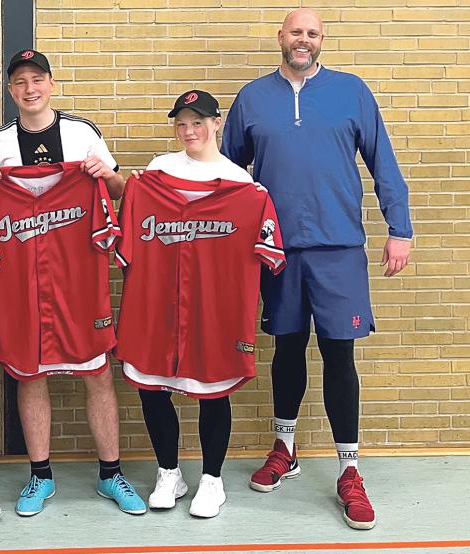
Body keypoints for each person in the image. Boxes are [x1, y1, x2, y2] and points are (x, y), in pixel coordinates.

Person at [222, 8, 413, 530]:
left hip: (339, 249)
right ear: (280, 38)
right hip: (277, 250)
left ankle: (349, 470)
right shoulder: (252, 99)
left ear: (321, 40)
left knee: (338, 354)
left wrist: (400, 229)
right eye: (295, 32)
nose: (302, 40)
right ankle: (284, 447)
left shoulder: (351, 92)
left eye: (312, 33)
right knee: (286, 348)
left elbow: (384, 164)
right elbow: (228, 174)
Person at [0, 49, 144, 516]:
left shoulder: (82, 133)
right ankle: (40, 475)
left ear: (51, 83)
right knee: (30, 375)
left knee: (97, 372)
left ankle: (111, 473)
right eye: (20, 82)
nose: (29, 89)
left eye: (37, 79)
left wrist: (106, 175)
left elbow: (119, 192)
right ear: (11, 92)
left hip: (78, 277)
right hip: (22, 278)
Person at [118, 90, 275, 519]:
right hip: (158, 302)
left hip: (213, 306)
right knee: (151, 387)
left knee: (212, 390)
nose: (190, 130)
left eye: (198, 122)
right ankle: (169, 472)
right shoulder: (156, 172)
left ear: (217, 123)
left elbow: (268, 252)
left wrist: (257, 205)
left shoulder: (243, 187)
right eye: (182, 123)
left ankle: (212, 479)